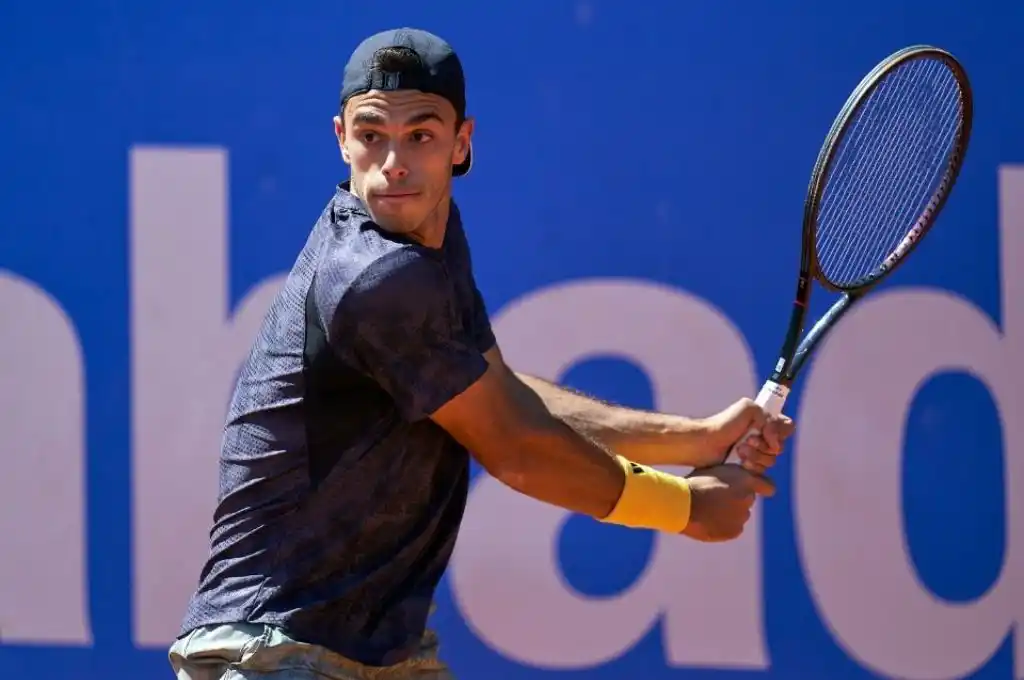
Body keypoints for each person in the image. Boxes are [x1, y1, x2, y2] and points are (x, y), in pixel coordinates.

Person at [168, 26, 795, 680]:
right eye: (371, 134)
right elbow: (515, 448)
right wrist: (686, 507)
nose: (393, 164)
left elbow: (497, 392)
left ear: (461, 143)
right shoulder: (378, 277)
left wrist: (693, 439)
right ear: (341, 139)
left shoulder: (429, 244)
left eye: (421, 136)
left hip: (376, 655)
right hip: (277, 651)